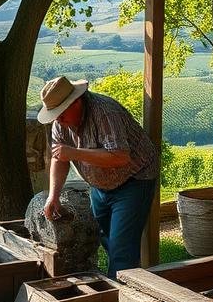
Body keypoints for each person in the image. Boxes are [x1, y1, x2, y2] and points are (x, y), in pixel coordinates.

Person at [37, 76, 157, 278]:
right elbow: (60, 157)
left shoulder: (105, 113)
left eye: (61, 114)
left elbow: (120, 156)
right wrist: (53, 196)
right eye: (54, 115)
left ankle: (120, 301)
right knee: (107, 238)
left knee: (122, 249)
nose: (58, 120)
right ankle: (126, 282)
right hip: (100, 185)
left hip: (135, 179)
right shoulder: (61, 122)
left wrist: (74, 152)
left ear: (76, 102)